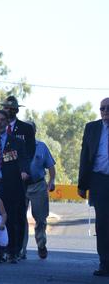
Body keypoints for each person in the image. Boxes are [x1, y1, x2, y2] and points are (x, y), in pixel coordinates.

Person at [0, 109, 29, 264]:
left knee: (9, 218)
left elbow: (23, 159)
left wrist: (24, 171)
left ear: (7, 123)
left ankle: (12, 251)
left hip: (9, 184)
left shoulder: (17, 142)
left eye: (2, 119)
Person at [77, 97, 109, 277]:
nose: (105, 111)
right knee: (103, 224)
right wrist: (82, 184)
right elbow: (84, 156)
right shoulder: (92, 128)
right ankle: (105, 263)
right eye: (102, 108)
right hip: (99, 181)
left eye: (108, 108)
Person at [21, 121, 56, 260]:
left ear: (35, 131)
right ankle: (20, 249)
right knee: (19, 218)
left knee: (40, 218)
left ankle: (41, 244)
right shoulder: (17, 145)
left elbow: (51, 168)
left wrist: (51, 181)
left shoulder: (41, 146)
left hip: (38, 185)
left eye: (31, 129)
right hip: (21, 186)